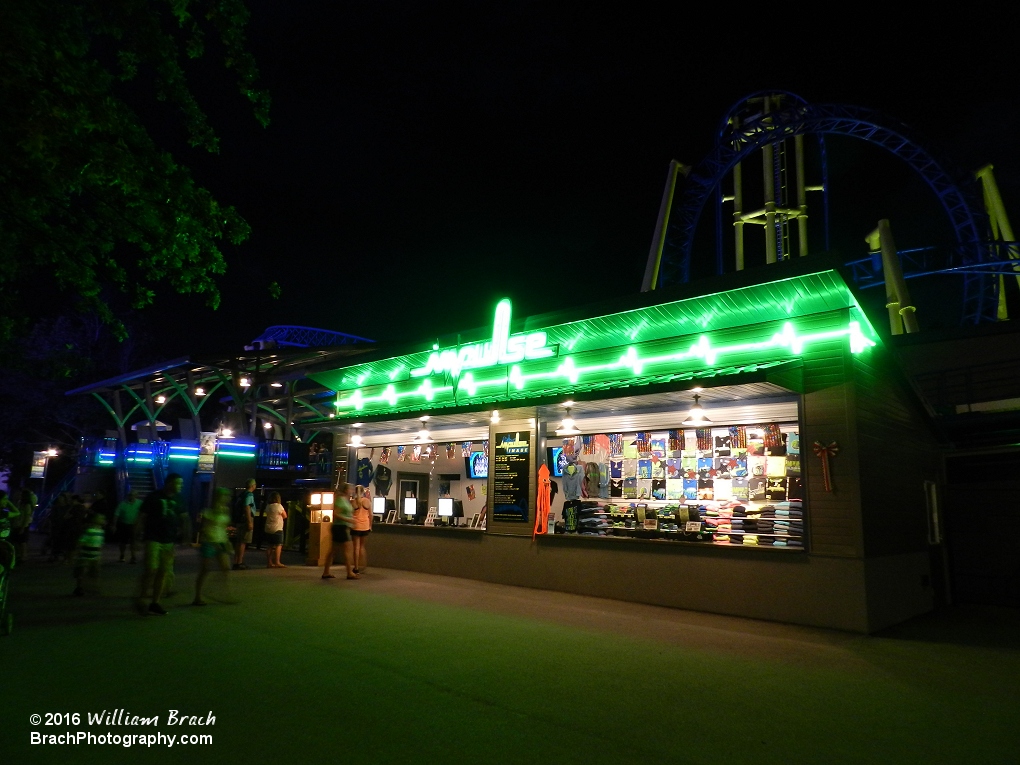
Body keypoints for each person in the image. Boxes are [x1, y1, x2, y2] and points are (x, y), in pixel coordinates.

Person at [135, 473, 188, 616]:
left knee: (163, 572)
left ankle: (155, 602)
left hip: (169, 541)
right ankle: (142, 598)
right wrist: (136, 537)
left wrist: (184, 535)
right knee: (151, 569)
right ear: (170, 483)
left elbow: (184, 517)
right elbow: (142, 516)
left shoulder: (179, 499)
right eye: (178, 483)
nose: (181, 486)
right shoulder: (153, 497)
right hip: (153, 538)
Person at [193, 488, 235, 606]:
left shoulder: (225, 510)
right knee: (205, 569)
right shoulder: (208, 511)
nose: (227, 498)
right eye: (225, 496)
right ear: (218, 497)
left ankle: (225, 593)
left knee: (226, 568)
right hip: (209, 542)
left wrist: (227, 542)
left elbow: (223, 527)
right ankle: (198, 596)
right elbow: (204, 529)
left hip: (221, 541)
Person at [321, 483, 358, 580]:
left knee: (333, 550)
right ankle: (349, 572)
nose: (353, 491)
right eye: (351, 489)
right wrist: (348, 520)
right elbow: (336, 514)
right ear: (346, 490)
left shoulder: (346, 500)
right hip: (340, 527)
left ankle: (326, 572)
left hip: (341, 527)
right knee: (347, 550)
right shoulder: (340, 500)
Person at [72, 510, 105, 596]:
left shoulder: (101, 532)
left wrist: (99, 554)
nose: (103, 520)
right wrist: (78, 552)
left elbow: (100, 544)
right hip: (85, 555)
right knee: (82, 572)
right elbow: (81, 541)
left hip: (94, 555)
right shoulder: (90, 531)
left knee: (93, 572)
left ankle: (90, 587)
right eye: (101, 518)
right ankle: (79, 587)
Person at [231, 479, 256, 570]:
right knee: (243, 542)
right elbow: (247, 507)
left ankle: (236, 561)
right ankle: (239, 562)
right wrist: (249, 521)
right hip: (245, 520)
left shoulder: (242, 494)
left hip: (239, 520)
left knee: (238, 541)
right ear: (253, 485)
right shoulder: (249, 494)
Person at [112, 490, 142, 563]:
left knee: (133, 541)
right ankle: (122, 555)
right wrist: (114, 525)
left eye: (133, 495)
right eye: (130, 495)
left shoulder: (140, 503)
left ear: (136, 496)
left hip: (134, 525)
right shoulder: (122, 504)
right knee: (123, 542)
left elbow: (143, 513)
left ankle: (133, 556)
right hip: (124, 524)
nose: (131, 496)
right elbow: (116, 515)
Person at [351, 485, 372, 574]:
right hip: (365, 526)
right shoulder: (367, 501)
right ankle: (363, 565)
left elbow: (350, 514)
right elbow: (371, 515)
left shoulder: (353, 502)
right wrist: (370, 526)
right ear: (364, 491)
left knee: (356, 547)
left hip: (355, 526)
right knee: (362, 547)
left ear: (355, 492)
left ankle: (356, 567)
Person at [263, 491, 288, 568]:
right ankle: (277, 562)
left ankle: (269, 563)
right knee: (278, 545)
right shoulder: (279, 506)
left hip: (268, 528)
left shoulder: (268, 506)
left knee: (269, 546)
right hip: (277, 528)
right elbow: (285, 516)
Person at [12, 489, 36, 562]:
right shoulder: (20, 503)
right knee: (18, 541)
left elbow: (26, 516)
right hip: (18, 524)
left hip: (22, 524)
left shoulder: (27, 505)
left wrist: (23, 527)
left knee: (22, 541)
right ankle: (20, 554)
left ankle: (24, 556)